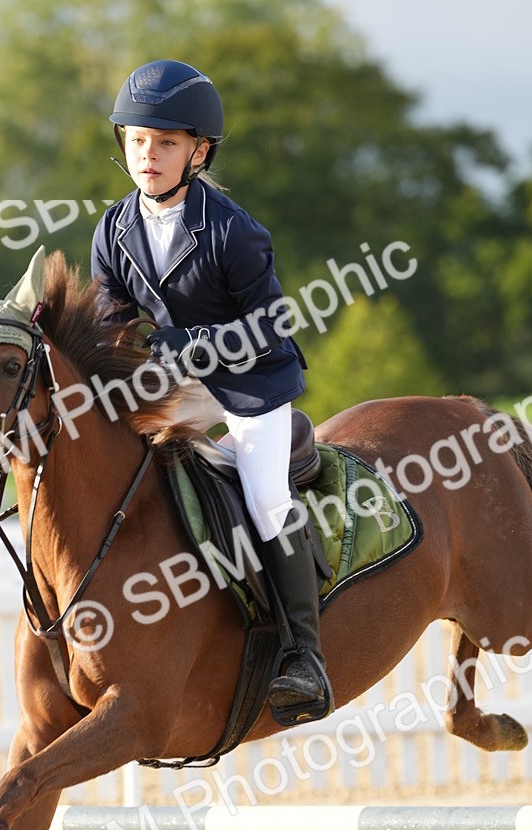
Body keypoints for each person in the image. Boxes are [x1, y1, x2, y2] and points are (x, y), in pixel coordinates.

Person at [91, 58, 332, 725]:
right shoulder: (113, 230)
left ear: (197, 151)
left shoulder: (232, 229)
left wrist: (197, 345)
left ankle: (302, 656)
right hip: (178, 383)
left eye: (165, 142)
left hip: (251, 381)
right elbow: (111, 326)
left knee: (263, 493)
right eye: (138, 140)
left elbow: (272, 326)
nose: (148, 154)